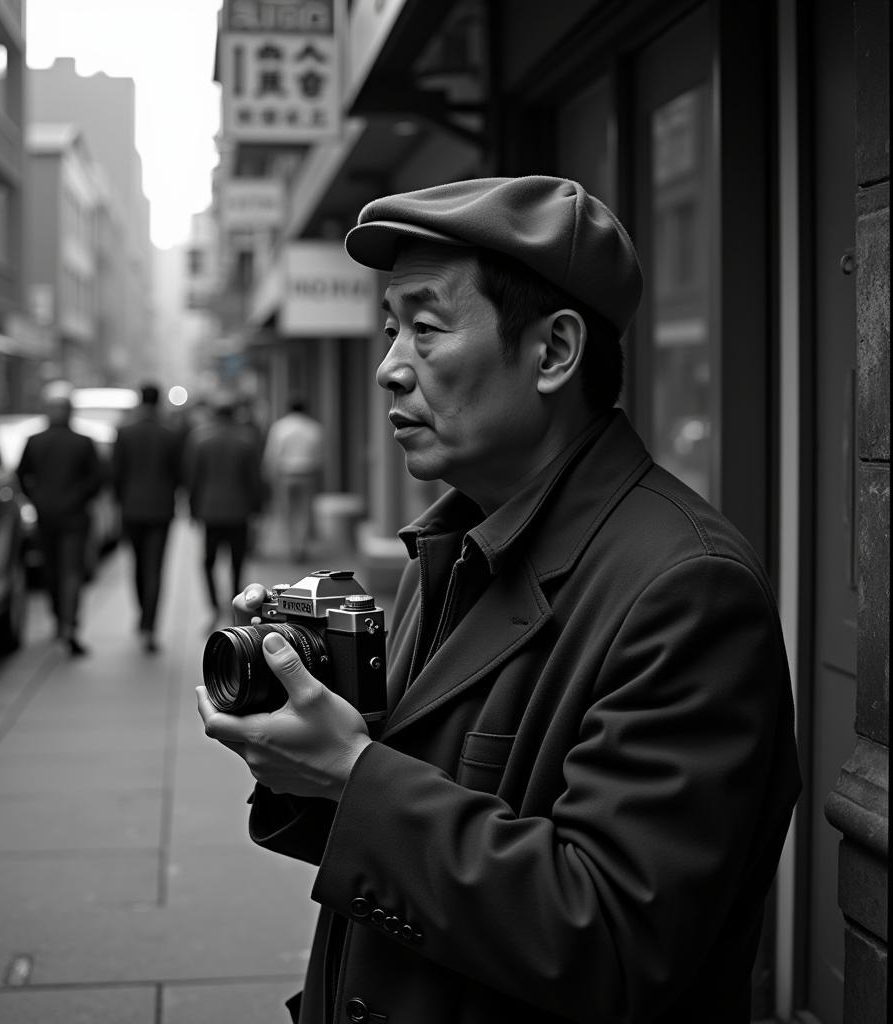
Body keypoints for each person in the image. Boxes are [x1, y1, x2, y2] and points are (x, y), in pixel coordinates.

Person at [195, 176, 802, 1023]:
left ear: (554, 352)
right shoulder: (448, 546)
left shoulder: (686, 589)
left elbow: (617, 939)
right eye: (389, 328)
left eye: (427, 328)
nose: (388, 368)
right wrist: (301, 733)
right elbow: (405, 819)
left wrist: (352, 772)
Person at [18, 381, 102, 657]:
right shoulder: (82, 442)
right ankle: (68, 623)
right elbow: (97, 480)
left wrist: (38, 499)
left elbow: (22, 478)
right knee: (68, 573)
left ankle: (62, 621)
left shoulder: (36, 441)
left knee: (55, 572)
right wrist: (78, 498)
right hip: (73, 517)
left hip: (50, 517)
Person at [111, 383, 181, 653]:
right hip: (161, 510)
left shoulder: (125, 433)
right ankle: (150, 625)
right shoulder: (170, 435)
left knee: (138, 566)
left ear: (140, 401)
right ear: (160, 401)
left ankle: (144, 616)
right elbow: (178, 474)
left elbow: (116, 474)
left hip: (132, 509)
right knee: (155, 569)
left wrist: (122, 501)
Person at [185, 399, 264, 632]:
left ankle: (213, 608)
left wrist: (192, 509)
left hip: (210, 511)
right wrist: (257, 509)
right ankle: (235, 605)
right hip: (239, 511)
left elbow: (193, 479)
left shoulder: (201, 440)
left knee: (208, 562)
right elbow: (254, 480)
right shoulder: (247, 441)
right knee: (237, 562)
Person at [262, 399, 325, 561]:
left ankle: (292, 547)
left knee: (288, 512)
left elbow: (272, 454)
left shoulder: (280, 427)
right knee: (304, 511)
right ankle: (301, 546)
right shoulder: (314, 428)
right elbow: (319, 456)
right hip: (307, 473)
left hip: (286, 473)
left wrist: (269, 475)